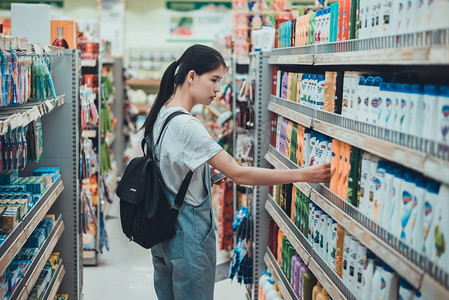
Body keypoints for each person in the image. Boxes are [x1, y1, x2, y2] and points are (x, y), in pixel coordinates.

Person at [142, 44, 330, 300]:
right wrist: (304, 175)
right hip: (187, 235)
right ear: (192, 76)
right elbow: (240, 174)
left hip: (162, 233)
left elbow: (168, 168)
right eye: (214, 79)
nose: (218, 88)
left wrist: (206, 176)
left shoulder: (160, 113)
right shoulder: (188, 125)